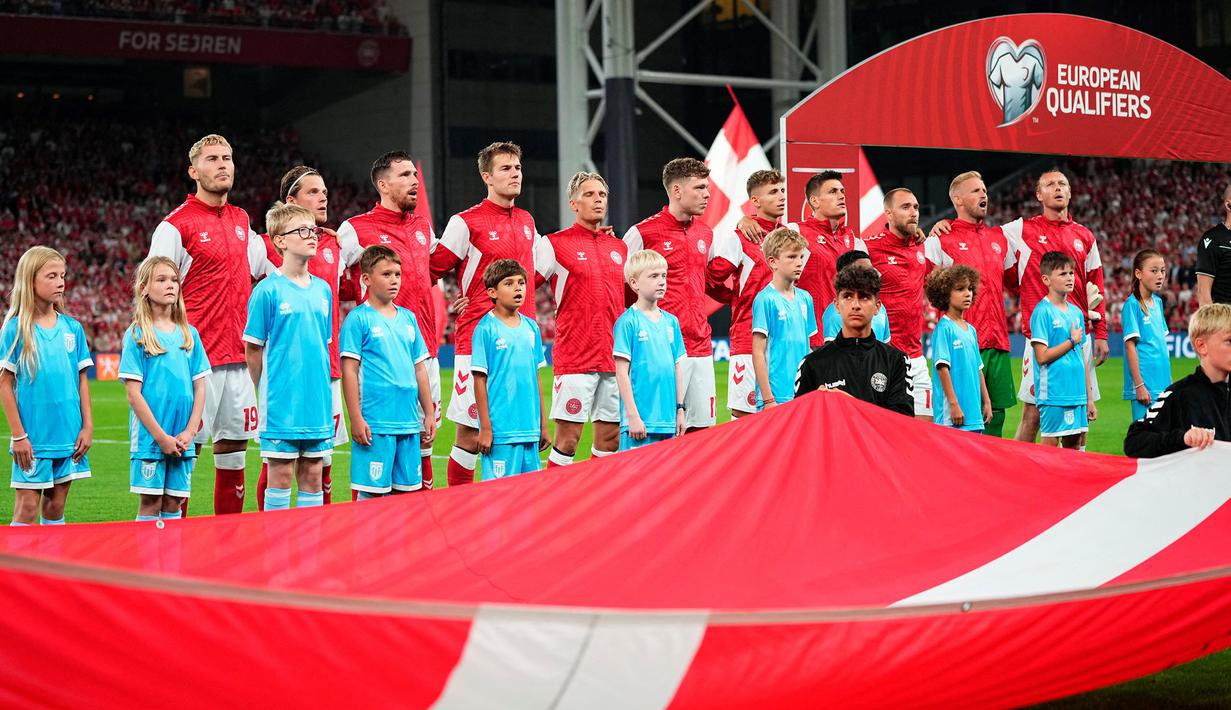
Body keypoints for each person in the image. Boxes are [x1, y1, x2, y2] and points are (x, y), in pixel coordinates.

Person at [149, 134, 268, 515]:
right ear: (193, 170)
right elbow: (152, 287)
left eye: (228, 158)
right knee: (186, 451)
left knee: (234, 452)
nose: (223, 165)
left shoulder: (241, 219)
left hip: (239, 358)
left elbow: (268, 268)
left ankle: (227, 545)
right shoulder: (175, 227)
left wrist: (314, 233)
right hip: (193, 361)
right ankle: (172, 544)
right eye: (213, 158)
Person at [431, 141, 541, 486]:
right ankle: (459, 513)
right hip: (476, 343)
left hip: (522, 341)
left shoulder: (526, 220)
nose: (515, 174)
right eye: (506, 168)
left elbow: (537, 271)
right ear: (486, 177)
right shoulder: (466, 222)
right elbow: (431, 268)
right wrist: (452, 302)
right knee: (469, 434)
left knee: (516, 434)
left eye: (518, 168)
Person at [339, 151, 441, 488]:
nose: (415, 181)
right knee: (374, 463)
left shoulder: (423, 228)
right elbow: (331, 278)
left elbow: (439, 270)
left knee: (423, 449)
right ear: (383, 184)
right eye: (405, 175)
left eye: (415, 174)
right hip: (378, 363)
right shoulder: (355, 229)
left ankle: (419, 532)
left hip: (422, 357)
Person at [256, 166, 350, 508]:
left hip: (326, 372)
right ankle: (269, 532)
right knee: (276, 464)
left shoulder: (338, 242)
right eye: (313, 192)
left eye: (324, 190)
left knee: (321, 466)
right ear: (290, 201)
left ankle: (316, 541)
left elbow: (359, 286)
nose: (323, 196)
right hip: (284, 378)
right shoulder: (262, 245)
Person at [242, 204, 333, 510]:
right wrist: (267, 389)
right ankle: (278, 553)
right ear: (279, 240)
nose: (312, 236)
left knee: (313, 475)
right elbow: (252, 349)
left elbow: (322, 346)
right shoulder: (267, 291)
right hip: (282, 404)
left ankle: (308, 555)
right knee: (279, 475)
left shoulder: (323, 291)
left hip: (317, 402)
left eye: (314, 230)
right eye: (302, 231)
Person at [536, 171, 626, 466]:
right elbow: (523, 285)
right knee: (568, 440)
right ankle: (553, 507)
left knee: (610, 439)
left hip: (614, 358)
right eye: (589, 195)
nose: (597, 200)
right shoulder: (554, 244)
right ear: (573, 203)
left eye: (601, 195)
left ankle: (597, 507)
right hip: (575, 357)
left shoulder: (619, 247)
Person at [0, 246, 93, 526]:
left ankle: (48, 569)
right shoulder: (15, 329)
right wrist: (18, 436)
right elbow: (5, 385)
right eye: (51, 276)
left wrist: (87, 426)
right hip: (34, 437)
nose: (60, 282)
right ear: (30, 281)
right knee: (27, 508)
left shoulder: (72, 328)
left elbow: (82, 382)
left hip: (69, 434)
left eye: (62, 275)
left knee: (56, 507)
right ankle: (15, 571)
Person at [623, 158, 716, 433]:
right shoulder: (642, 233)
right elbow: (623, 289)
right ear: (677, 191)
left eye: (707, 187)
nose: (707, 194)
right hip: (659, 348)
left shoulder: (706, 234)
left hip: (700, 345)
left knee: (702, 433)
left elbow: (707, 280)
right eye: (699, 188)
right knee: (660, 432)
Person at [923, 171, 1017, 436]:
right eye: (976, 190)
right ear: (958, 199)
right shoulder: (941, 239)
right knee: (961, 419)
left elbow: (1016, 282)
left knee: (996, 413)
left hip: (997, 339)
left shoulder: (1000, 238)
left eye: (984, 190)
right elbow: (925, 284)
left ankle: (991, 473)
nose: (984, 194)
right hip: (961, 342)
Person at [340, 246, 437, 498]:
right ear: (366, 279)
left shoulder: (409, 318)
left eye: (397, 274)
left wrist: (428, 413)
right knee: (372, 496)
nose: (394, 280)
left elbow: (420, 368)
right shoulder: (358, 319)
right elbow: (349, 371)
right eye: (386, 274)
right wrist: (356, 418)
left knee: (407, 497)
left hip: (408, 423)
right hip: (376, 424)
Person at [119, 256, 210, 522]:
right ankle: (145, 565)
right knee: (151, 502)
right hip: (151, 438)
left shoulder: (189, 334)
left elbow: (200, 387)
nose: (170, 285)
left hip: (183, 437)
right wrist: (160, 437)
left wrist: (190, 432)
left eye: (174, 280)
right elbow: (133, 394)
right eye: (161, 280)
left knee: (174, 502)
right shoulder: (137, 334)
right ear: (144, 288)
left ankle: (170, 563)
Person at [707, 169, 782, 418]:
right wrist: (734, 296)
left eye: (782, 190)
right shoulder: (739, 238)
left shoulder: (791, 236)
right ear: (755, 201)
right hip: (747, 337)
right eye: (773, 192)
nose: (781, 196)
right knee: (745, 417)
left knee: (784, 416)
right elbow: (710, 279)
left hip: (784, 339)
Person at [795, 265, 913, 415]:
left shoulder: (897, 361)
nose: (856, 305)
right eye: (848, 297)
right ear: (837, 305)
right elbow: (801, 424)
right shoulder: (812, 364)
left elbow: (903, 423)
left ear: (877, 307)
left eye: (864, 297)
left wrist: (848, 402)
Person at [472, 259, 550, 479]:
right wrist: (485, 428)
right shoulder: (485, 329)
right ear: (492, 292)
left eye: (521, 283)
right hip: (501, 431)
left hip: (530, 429)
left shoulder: (531, 328)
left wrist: (543, 425)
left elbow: (535, 378)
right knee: (500, 500)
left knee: (531, 499)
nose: (518, 288)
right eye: (509, 283)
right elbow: (479, 381)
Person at [1124, 303, 1231, 457]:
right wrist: (1182, 439)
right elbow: (1134, 442)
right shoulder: (1179, 395)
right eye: (1229, 341)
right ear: (1202, 346)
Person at [865, 187, 933, 421]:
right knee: (885, 432)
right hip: (882, 356)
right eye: (905, 207)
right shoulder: (869, 248)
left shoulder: (921, 247)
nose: (913, 212)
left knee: (926, 429)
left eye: (915, 207)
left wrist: (943, 223)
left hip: (915, 356)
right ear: (889, 214)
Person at [613, 250, 687, 450]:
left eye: (664, 275)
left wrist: (680, 410)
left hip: (668, 421)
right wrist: (632, 417)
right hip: (640, 422)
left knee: (668, 479)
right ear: (634, 283)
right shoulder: (627, 322)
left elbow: (678, 367)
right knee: (636, 480)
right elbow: (621, 373)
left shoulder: (672, 322)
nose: (662, 281)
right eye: (654, 276)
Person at [788, 170, 867, 347]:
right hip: (806, 339)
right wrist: (748, 220)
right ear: (814, 201)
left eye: (842, 191)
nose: (841, 196)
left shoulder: (855, 242)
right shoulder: (796, 232)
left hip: (845, 338)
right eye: (833, 192)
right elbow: (765, 245)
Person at [1029, 251, 1097, 449]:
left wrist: (1089, 399)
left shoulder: (1076, 312)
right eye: (1063, 274)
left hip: (1077, 394)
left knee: (1074, 450)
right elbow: (1041, 357)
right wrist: (1071, 341)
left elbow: (1082, 359)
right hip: (1054, 395)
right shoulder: (1042, 312)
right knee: (1050, 449)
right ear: (1046, 279)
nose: (1069, 278)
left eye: (1071, 273)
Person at [751, 228, 816, 410]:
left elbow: (808, 348)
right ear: (773, 262)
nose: (799, 263)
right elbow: (758, 352)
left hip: (802, 392)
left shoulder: (805, 298)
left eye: (801, 257)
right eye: (792, 257)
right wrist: (768, 399)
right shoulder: (765, 299)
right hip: (776, 395)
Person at [925, 265, 991, 432]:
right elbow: (942, 369)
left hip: (973, 413)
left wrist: (987, 401)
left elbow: (978, 369)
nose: (967, 293)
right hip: (953, 415)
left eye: (970, 289)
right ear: (945, 293)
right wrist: (954, 404)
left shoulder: (971, 330)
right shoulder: (943, 329)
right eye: (960, 289)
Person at [1122, 249, 1172, 422]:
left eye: (1163, 270)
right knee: (1145, 440)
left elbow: (1160, 345)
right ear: (1138, 273)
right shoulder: (1132, 305)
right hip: (1146, 386)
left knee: (1162, 438)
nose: (1160, 276)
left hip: (1163, 382)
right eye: (1154, 270)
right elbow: (1130, 346)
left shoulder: (1158, 302)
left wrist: (1169, 381)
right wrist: (1139, 385)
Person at [821, 251, 890, 343]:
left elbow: (886, 344)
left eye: (871, 269)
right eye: (864, 271)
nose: (872, 273)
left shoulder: (880, 307)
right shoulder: (834, 315)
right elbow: (831, 353)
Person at [1196, 185, 1231, 306]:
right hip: (1225, 320)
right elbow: (1203, 293)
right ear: (1228, 205)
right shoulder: (1213, 239)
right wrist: (1212, 325)